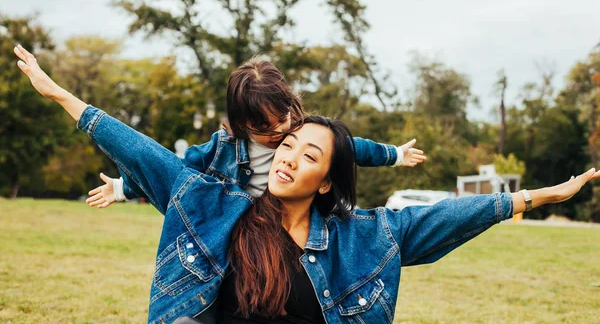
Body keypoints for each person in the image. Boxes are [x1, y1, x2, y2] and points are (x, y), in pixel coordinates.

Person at [15, 44, 599, 324]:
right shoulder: (210, 203)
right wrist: (58, 93)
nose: (290, 154)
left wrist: (533, 197)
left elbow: (444, 215)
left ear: (326, 181)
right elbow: (141, 151)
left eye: (310, 154)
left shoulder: (361, 237)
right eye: (287, 144)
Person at [84, 58, 426, 209]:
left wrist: (394, 154)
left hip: (297, 223)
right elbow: (174, 170)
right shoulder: (222, 150)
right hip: (248, 226)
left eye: (284, 117)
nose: (280, 131)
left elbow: (350, 148)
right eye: (265, 128)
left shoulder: (304, 129)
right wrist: (124, 188)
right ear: (242, 124)